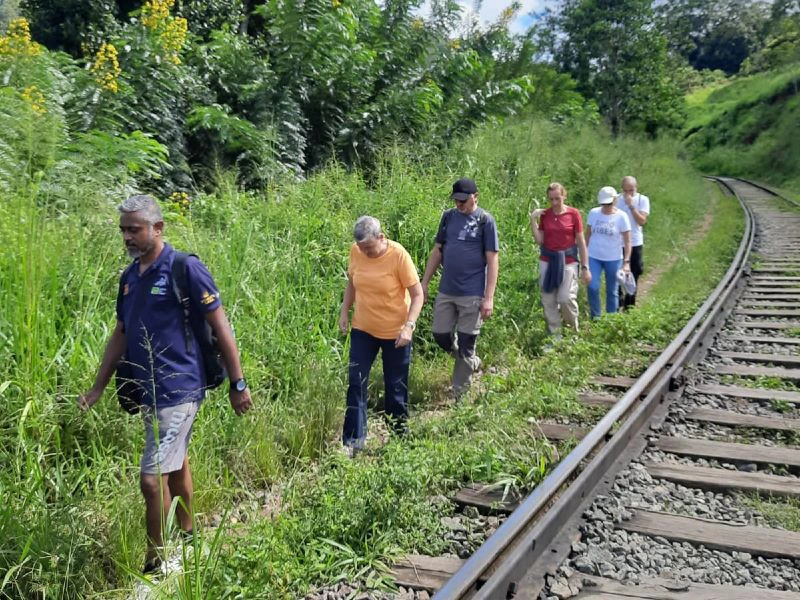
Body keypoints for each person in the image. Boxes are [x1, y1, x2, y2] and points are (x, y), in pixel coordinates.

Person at [78, 194, 252, 574]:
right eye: (123, 230)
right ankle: (189, 539)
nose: (127, 237)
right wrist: (98, 387)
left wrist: (237, 383)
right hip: (148, 390)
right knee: (175, 464)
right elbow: (121, 333)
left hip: (181, 388)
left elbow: (221, 325)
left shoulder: (184, 268)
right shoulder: (129, 279)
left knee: (151, 480)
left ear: (158, 228)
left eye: (135, 229)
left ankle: (157, 562)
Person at [338, 216, 423, 455]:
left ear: (381, 237)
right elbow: (352, 282)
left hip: (396, 332)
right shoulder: (356, 251)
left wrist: (409, 326)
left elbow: (417, 295)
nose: (364, 252)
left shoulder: (398, 255)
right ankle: (353, 442)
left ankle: (399, 440)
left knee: (395, 386)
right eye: (361, 247)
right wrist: (344, 311)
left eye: (368, 247)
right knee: (356, 382)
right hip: (363, 329)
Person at [421, 177, 499, 399]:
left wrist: (489, 297)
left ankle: (460, 397)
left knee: (466, 343)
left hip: (472, 293)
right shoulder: (448, 217)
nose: (459, 204)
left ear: (475, 197)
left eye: (463, 200)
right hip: (447, 289)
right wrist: (424, 283)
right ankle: (470, 361)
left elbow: (492, 259)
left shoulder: (485, 221)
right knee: (440, 335)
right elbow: (438, 251)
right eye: (456, 200)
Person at [530, 182, 591, 338]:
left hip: (568, 261)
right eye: (551, 199)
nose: (555, 202)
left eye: (558, 198)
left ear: (564, 196)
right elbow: (539, 240)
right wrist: (533, 220)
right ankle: (555, 336)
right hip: (547, 260)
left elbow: (581, 241)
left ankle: (573, 332)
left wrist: (585, 267)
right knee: (548, 300)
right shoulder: (546, 215)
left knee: (565, 298)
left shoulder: (573, 214)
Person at [585, 186, 632, 318]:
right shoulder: (594, 213)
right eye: (604, 204)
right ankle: (596, 318)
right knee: (592, 287)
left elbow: (628, 241)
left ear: (615, 201)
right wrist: (583, 255)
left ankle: (611, 319)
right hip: (594, 256)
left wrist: (626, 262)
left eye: (609, 203)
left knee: (612, 291)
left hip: (614, 258)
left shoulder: (622, 217)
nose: (606, 207)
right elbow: (587, 235)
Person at [616, 176, 650, 308]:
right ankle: (618, 302)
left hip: (635, 242)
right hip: (618, 243)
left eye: (631, 190)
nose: (628, 193)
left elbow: (641, 221)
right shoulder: (616, 199)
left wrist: (631, 206)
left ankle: (630, 304)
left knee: (634, 272)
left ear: (636, 187)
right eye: (625, 191)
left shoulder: (642, 199)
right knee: (617, 273)